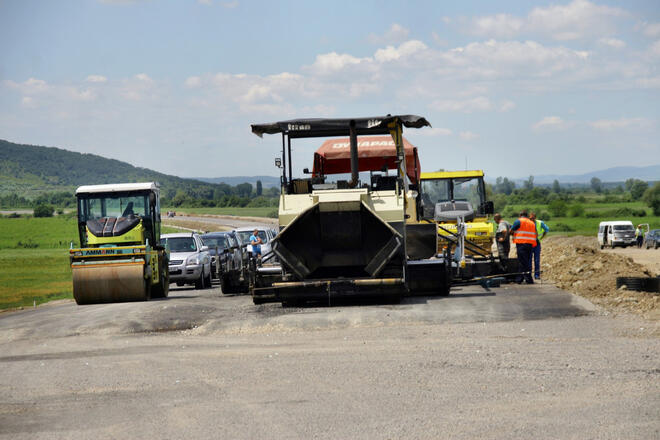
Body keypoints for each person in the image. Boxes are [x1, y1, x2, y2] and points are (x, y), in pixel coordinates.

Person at [509, 210, 537, 284]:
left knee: (523, 262)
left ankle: (529, 279)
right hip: (530, 244)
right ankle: (519, 279)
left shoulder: (518, 221)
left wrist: (512, 233)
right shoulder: (532, 223)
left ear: (520, 215)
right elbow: (535, 233)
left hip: (521, 244)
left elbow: (511, 231)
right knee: (524, 261)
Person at [529, 212, 550, 280]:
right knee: (529, 260)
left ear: (535, 218)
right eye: (530, 218)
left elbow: (547, 229)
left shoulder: (539, 223)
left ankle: (537, 275)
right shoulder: (527, 223)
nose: (531, 219)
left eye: (533, 218)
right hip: (529, 243)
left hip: (537, 243)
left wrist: (542, 237)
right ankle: (529, 275)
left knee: (537, 260)